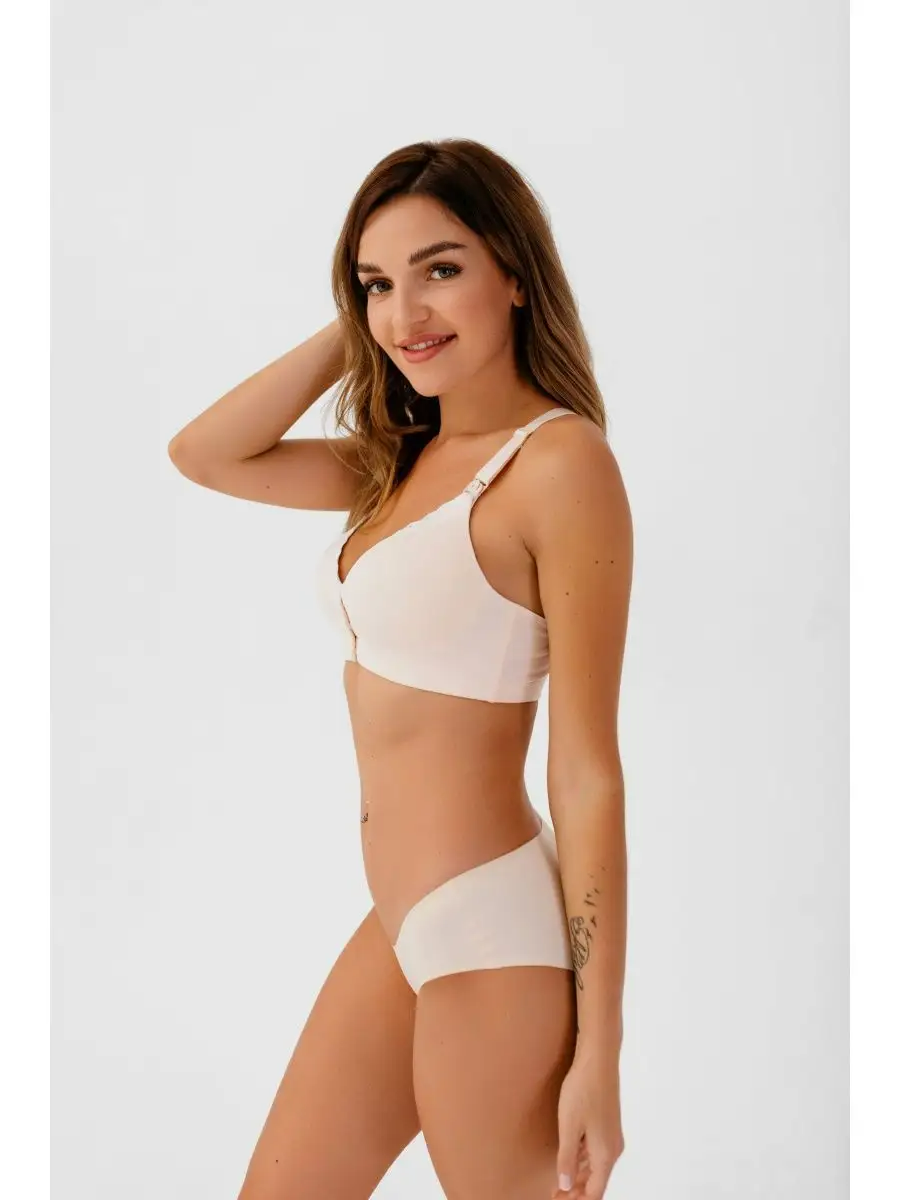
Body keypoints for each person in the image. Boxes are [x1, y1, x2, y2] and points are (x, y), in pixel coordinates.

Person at [168, 137, 632, 1200]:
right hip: (398, 925)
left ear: (516, 274)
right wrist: (372, 323)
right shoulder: (400, 462)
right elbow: (205, 453)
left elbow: (587, 770)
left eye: (442, 268)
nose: (407, 308)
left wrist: (600, 1050)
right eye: (378, 280)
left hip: (491, 931)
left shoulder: (559, 465)